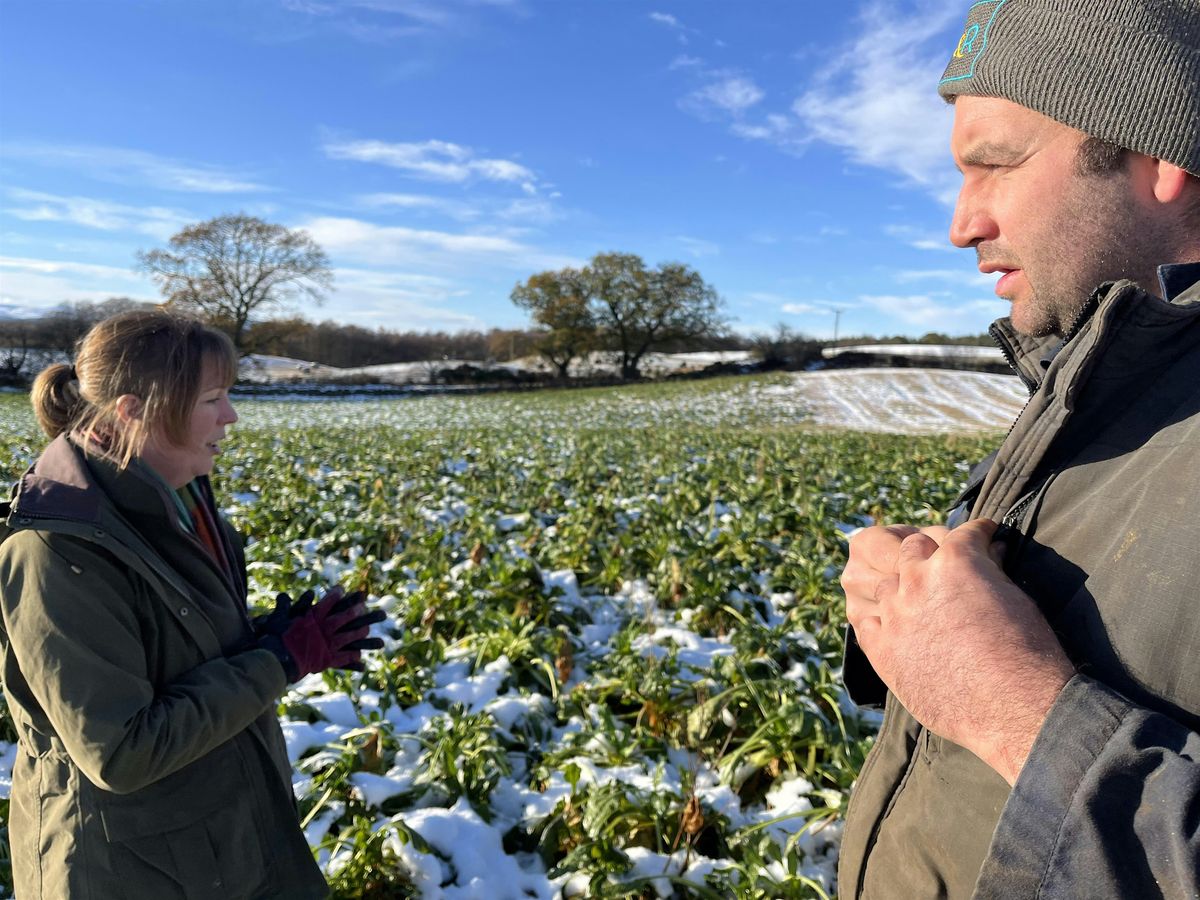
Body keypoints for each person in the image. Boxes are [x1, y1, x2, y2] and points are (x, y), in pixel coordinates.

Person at [837, 0, 1200, 897]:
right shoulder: (1107, 377)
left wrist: (1017, 710)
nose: (961, 225)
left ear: (1162, 157)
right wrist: (914, 617)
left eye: (996, 162)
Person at [0, 310, 384, 899]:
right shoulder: (57, 551)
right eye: (212, 398)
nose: (230, 415)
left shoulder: (177, 505)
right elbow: (123, 750)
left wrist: (268, 638)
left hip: (218, 844)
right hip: (125, 871)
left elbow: (172, 652)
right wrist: (276, 661)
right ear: (134, 410)